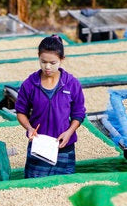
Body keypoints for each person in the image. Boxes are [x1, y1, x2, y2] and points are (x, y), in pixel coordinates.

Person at [15, 34, 86, 178]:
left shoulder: (71, 84)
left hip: (63, 146)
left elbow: (79, 113)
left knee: (64, 188)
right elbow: (20, 111)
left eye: (52, 63)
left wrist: (69, 132)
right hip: (39, 145)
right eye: (43, 62)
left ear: (61, 60)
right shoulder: (30, 84)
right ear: (38, 57)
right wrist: (29, 128)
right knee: (35, 187)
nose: (47, 67)